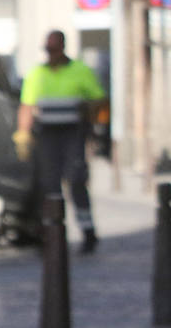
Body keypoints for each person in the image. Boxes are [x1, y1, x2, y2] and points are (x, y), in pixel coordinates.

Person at [14, 30, 106, 254]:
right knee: (48, 184)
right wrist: (23, 134)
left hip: (73, 133)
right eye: (47, 50)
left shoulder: (80, 71)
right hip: (47, 135)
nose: (51, 54)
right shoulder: (37, 74)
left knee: (76, 180)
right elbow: (26, 106)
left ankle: (88, 232)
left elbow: (99, 101)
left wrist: (97, 127)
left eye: (54, 49)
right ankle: (51, 233)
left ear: (63, 48)